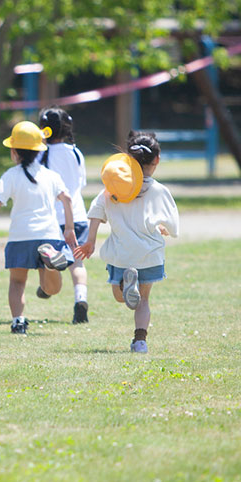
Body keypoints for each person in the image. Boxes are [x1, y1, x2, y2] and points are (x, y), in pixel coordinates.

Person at [74, 131, 179, 353]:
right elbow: (172, 225)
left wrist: (90, 241)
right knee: (143, 300)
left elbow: (95, 212)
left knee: (120, 297)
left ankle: (124, 285)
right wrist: (164, 229)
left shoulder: (113, 190)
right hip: (149, 253)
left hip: (121, 254)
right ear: (157, 160)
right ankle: (140, 342)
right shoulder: (159, 190)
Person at [0, 121, 79, 335]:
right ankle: (50, 264)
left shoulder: (11, 175)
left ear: (14, 152)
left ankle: (18, 321)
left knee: (17, 281)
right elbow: (67, 198)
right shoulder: (51, 176)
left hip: (20, 236)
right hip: (49, 235)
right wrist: (69, 228)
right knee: (52, 288)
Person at [38, 107, 90, 324]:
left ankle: (47, 287)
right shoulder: (76, 153)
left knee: (48, 259)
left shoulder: (42, 154)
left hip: (54, 218)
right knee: (77, 264)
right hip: (77, 215)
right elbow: (81, 183)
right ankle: (81, 299)